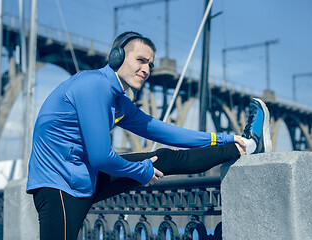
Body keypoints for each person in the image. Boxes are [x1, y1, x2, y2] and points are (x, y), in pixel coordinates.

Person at [26, 31, 272, 240]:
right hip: (57, 185)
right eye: (140, 60)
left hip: (84, 176)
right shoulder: (93, 85)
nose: (146, 69)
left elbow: (167, 132)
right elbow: (101, 156)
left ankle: (246, 145)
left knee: (164, 158)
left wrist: (227, 138)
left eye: (150, 65)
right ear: (117, 56)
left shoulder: (119, 102)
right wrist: (140, 171)